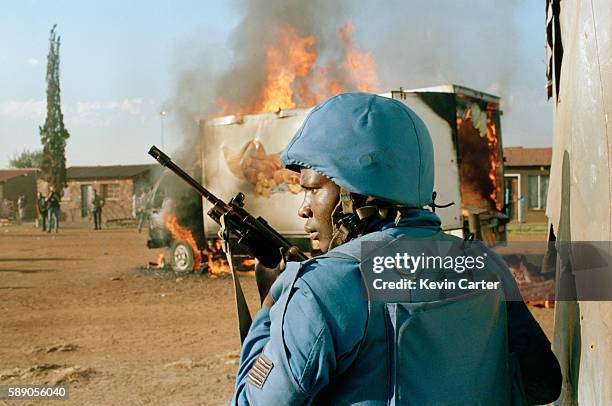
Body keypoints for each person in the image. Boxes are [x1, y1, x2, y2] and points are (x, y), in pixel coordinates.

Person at [232, 93, 561, 405]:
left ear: (356, 194)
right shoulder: (484, 264)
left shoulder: (318, 289)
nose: (304, 208)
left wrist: (271, 308)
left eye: (313, 189)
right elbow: (543, 382)